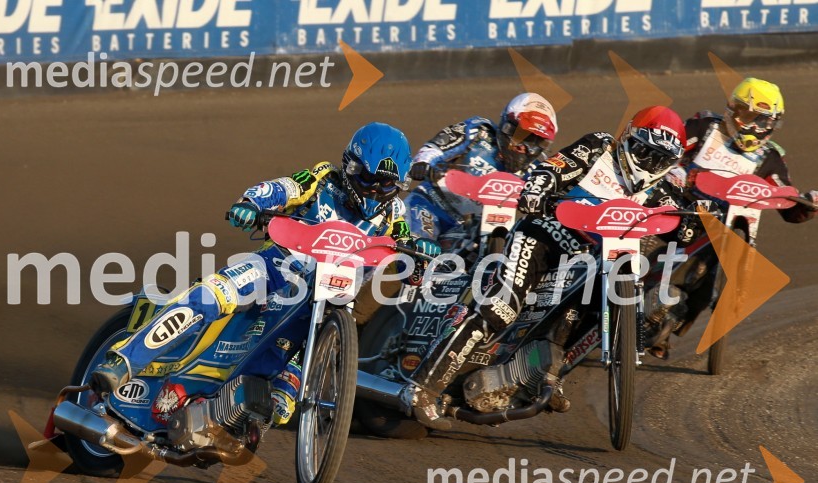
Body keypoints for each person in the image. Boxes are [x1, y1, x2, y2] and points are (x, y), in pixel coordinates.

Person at [91, 122, 436, 425]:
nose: (376, 191)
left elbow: (408, 245)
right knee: (211, 294)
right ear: (350, 166)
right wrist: (251, 204)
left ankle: (238, 414)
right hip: (277, 267)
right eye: (369, 180)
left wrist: (420, 258)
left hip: (326, 302)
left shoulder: (395, 211)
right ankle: (124, 361)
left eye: (387, 185)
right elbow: (281, 188)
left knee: (282, 405)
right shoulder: (321, 179)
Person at [403, 106, 697, 430]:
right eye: (646, 152)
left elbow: (682, 220)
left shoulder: (659, 189)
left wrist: (694, 221)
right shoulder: (600, 147)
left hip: (593, 259)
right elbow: (554, 166)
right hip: (544, 239)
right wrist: (540, 185)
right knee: (500, 308)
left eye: (661, 159)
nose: (651, 164)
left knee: (595, 307)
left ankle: (543, 372)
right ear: (629, 139)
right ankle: (422, 387)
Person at [644, 78, 818, 358]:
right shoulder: (704, 126)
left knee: (704, 278)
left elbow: (787, 202)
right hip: (673, 209)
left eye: (761, 120)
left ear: (772, 124)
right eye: (746, 114)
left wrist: (808, 205)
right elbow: (665, 148)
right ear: (732, 109)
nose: (751, 126)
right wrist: (673, 169)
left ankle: (664, 322)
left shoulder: (769, 157)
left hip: (718, 232)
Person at [405, 93, 558, 242]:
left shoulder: (537, 171)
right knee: (421, 245)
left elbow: (555, 195)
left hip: (473, 226)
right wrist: (422, 163)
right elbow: (438, 146)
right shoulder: (479, 131)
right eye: (521, 135)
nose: (524, 147)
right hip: (431, 205)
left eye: (536, 141)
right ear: (506, 126)